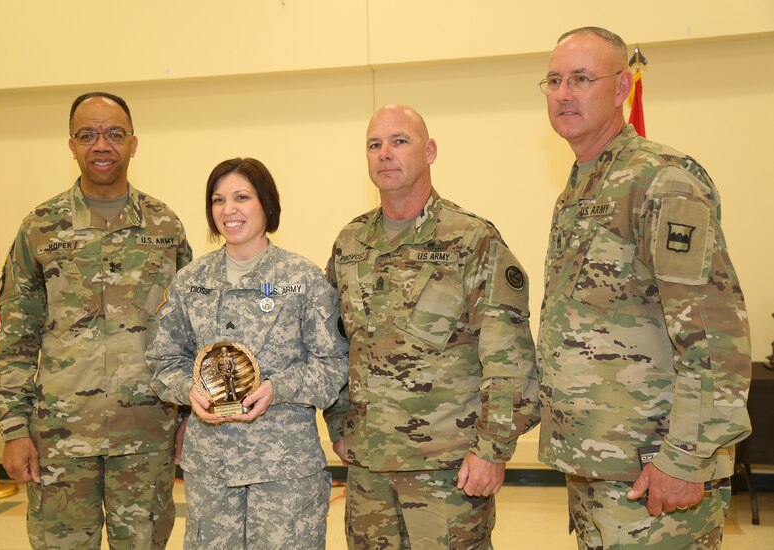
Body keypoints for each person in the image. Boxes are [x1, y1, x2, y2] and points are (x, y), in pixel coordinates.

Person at [537, 27, 752, 548]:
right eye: (554, 80)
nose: (564, 93)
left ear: (621, 89)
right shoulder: (583, 185)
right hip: (600, 467)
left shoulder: (659, 180)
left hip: (655, 471)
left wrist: (684, 458)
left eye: (582, 78)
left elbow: (715, 334)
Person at [0, 91, 193, 549]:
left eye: (115, 134)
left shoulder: (165, 227)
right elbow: (17, 339)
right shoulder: (39, 227)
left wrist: (187, 421)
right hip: (60, 439)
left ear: (133, 144)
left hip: (146, 435)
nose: (102, 145)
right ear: (72, 145)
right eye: (88, 134)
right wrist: (15, 430)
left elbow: (187, 337)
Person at [324, 104, 539, 548]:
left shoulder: (472, 240)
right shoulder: (349, 243)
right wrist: (340, 423)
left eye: (399, 141)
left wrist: (492, 450)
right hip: (368, 474)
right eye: (374, 144)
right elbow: (334, 343)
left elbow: (507, 355)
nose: (385, 153)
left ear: (430, 151)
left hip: (448, 473)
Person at [146, 157, 348, 549]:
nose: (228, 210)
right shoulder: (191, 281)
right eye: (218, 200)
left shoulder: (302, 280)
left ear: (266, 205)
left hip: (284, 472)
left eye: (242, 197)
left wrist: (277, 387)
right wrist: (189, 389)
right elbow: (163, 360)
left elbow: (332, 365)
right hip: (212, 472)